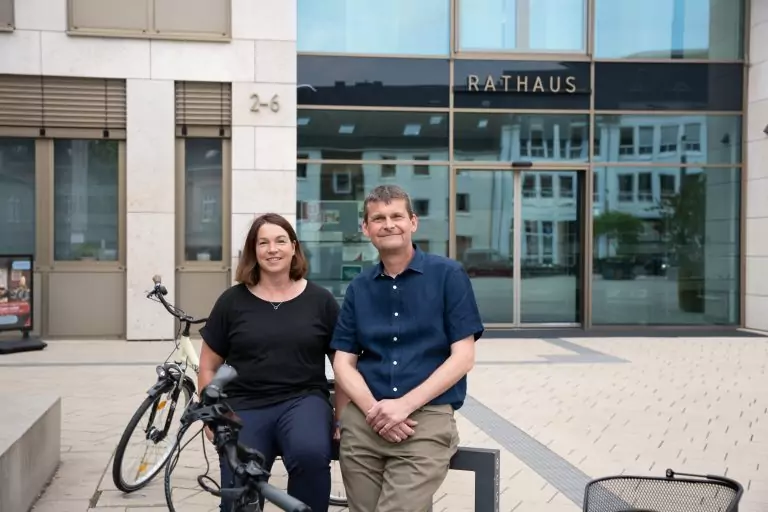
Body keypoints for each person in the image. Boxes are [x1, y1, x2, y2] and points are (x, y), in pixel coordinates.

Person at [331, 185, 484, 512]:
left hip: (425, 420)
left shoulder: (448, 275)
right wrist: (375, 410)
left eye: (396, 216)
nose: (388, 224)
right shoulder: (359, 288)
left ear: (413, 222)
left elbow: (464, 357)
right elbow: (343, 362)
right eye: (378, 218)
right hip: (366, 421)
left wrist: (403, 406)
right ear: (366, 228)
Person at [198, 212, 348, 512]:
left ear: (294, 247)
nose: (272, 249)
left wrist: (341, 417)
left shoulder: (321, 301)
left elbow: (343, 365)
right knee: (240, 470)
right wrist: (211, 415)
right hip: (244, 405)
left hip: (303, 400)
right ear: (254, 251)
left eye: (280, 241)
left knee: (310, 454)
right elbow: (207, 365)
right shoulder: (232, 301)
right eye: (263, 242)